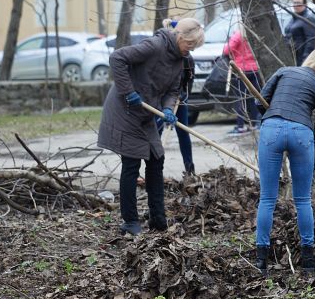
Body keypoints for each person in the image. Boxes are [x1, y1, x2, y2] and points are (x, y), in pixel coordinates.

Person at [98, 18, 205, 236]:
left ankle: (158, 219)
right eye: (189, 45)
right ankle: (130, 221)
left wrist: (167, 109)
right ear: (180, 37)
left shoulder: (179, 59)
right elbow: (117, 58)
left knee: (156, 159)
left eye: (194, 47)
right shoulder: (154, 46)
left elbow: (173, 91)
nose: (190, 50)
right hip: (124, 108)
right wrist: (128, 92)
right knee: (131, 163)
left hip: (146, 113)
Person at [253, 48, 315, 276]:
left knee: (268, 198)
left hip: (272, 129)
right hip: (302, 134)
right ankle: (308, 260)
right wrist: (314, 156)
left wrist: (273, 113)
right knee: (302, 199)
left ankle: (261, 259)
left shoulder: (284, 71)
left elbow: (261, 102)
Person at [154, 18, 195, 176]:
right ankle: (154, 169)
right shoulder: (162, 55)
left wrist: (183, 95)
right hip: (159, 100)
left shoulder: (188, 59)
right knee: (156, 131)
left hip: (179, 100)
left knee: (183, 132)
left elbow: (188, 81)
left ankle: (190, 169)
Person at [224, 26, 261, 134]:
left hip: (241, 70)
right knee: (253, 97)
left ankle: (240, 126)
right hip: (254, 69)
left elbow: (227, 50)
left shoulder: (238, 35)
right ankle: (254, 124)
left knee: (240, 98)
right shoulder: (253, 33)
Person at [287, 0, 315, 65]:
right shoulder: (293, 18)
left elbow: (311, 40)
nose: (296, 5)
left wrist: (305, 58)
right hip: (291, 55)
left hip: (301, 57)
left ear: (305, 5)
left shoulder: (308, 19)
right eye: (294, 3)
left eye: (298, 3)